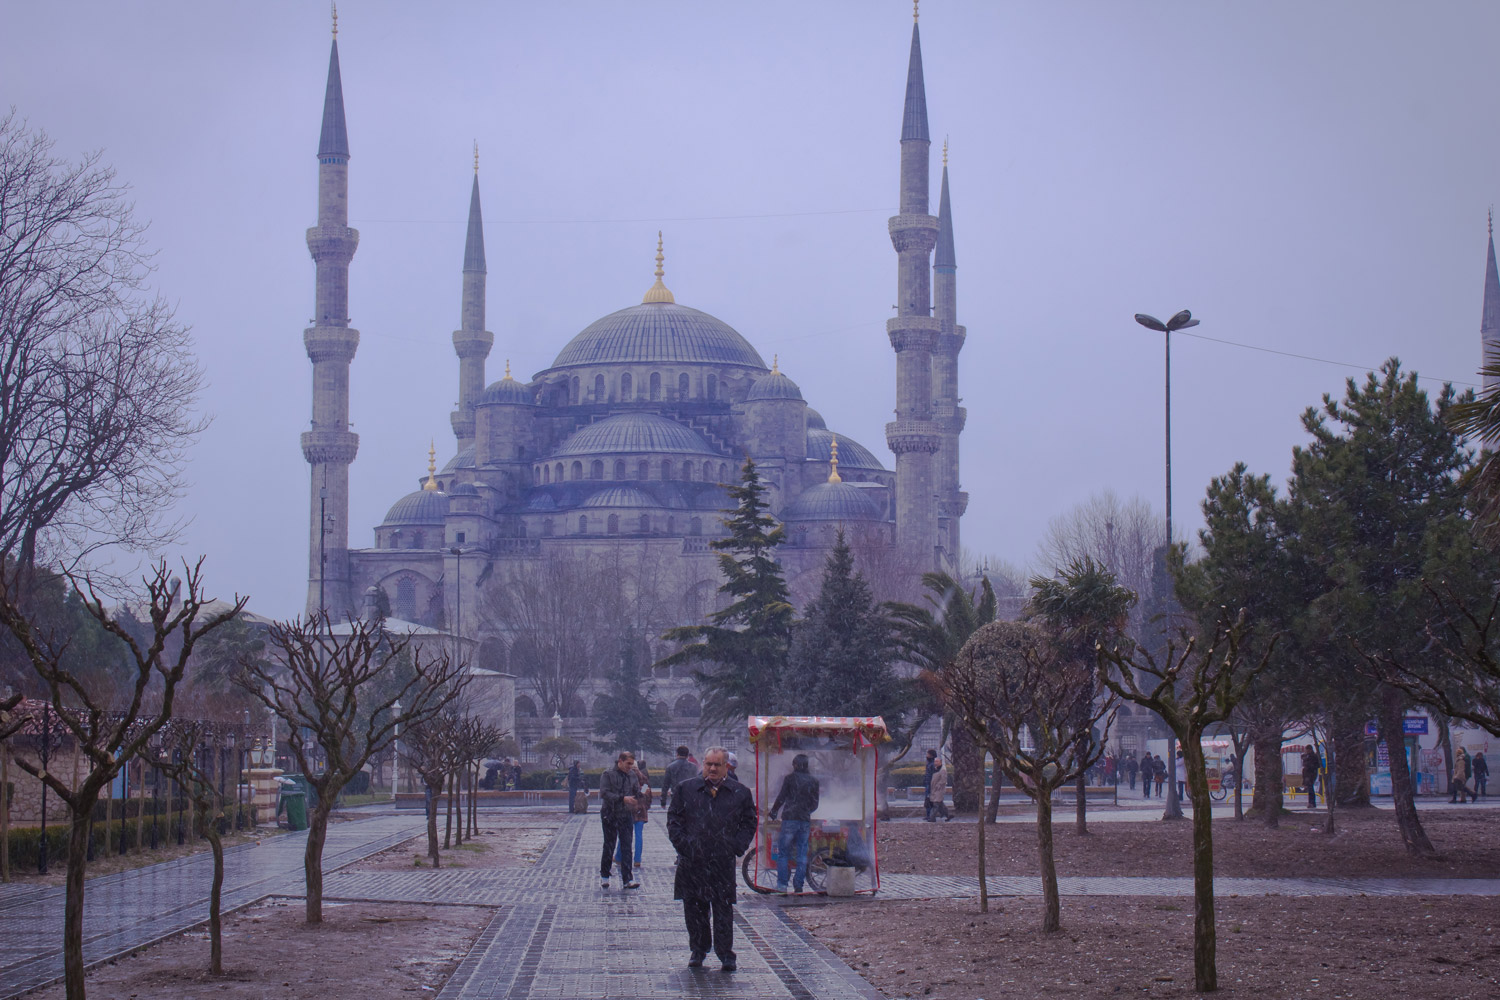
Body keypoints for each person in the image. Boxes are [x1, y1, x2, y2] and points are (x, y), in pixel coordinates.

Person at [667, 746, 757, 972]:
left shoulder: (739, 792)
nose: (713, 768)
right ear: (702, 764)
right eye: (709, 764)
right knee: (694, 909)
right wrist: (685, 846)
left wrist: (736, 846)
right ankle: (698, 950)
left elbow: (749, 822)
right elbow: (674, 821)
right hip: (693, 861)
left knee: (723, 909)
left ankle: (726, 953)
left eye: (718, 764)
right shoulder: (686, 789)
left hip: (722, 861)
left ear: (727, 766)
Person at [767, 753, 820, 893]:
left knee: (783, 853)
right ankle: (798, 886)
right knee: (802, 854)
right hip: (804, 820)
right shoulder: (814, 781)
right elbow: (815, 804)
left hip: (790, 819)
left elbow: (781, 797)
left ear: (795, 765)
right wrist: (806, 811)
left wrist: (773, 811)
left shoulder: (790, 779)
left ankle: (782, 886)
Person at [598, 750, 641, 889]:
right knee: (609, 845)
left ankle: (627, 879)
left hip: (625, 814)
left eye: (632, 764)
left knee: (627, 846)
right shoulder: (608, 774)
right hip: (610, 813)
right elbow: (604, 793)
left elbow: (636, 791)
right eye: (628, 764)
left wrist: (639, 797)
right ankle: (605, 875)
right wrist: (622, 799)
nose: (630, 767)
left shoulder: (632, 774)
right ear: (620, 761)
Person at [618, 757, 653, 871]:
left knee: (624, 833)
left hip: (628, 808)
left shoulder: (626, 777)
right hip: (641, 809)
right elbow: (647, 794)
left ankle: (618, 856)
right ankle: (637, 859)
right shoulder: (644, 778)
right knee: (639, 835)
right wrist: (646, 805)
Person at [662, 745, 696, 810]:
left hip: (676, 796)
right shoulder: (693, 767)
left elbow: (665, 785)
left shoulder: (670, 767)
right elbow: (696, 783)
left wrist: (663, 801)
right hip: (689, 797)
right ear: (687, 755)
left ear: (677, 754)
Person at [928, 754, 952, 821]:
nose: (935, 763)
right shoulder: (935, 769)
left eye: (937, 761)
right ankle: (948, 815)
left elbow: (943, 780)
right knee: (940, 804)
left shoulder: (943, 770)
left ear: (940, 762)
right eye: (935, 761)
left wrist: (938, 785)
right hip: (934, 789)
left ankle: (932, 817)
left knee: (936, 804)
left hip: (939, 790)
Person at [923, 748, 939, 821]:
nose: (927, 755)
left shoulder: (933, 764)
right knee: (928, 800)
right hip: (928, 783)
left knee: (930, 800)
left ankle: (931, 816)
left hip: (931, 784)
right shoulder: (929, 764)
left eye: (928, 754)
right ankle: (929, 815)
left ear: (931, 755)